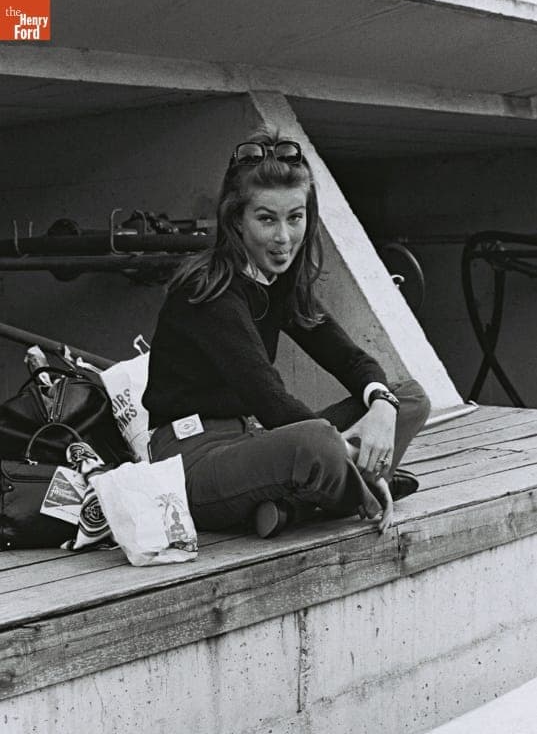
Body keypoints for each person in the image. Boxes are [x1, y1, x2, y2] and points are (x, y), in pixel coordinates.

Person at [142, 131, 430, 538]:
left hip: (254, 444)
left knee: (409, 398)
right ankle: (336, 492)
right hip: (191, 461)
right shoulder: (207, 289)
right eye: (266, 219)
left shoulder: (277, 284)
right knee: (314, 443)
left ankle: (293, 505)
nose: (283, 237)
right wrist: (345, 452)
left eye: (295, 217)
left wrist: (382, 405)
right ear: (236, 220)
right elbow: (271, 400)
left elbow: (351, 359)